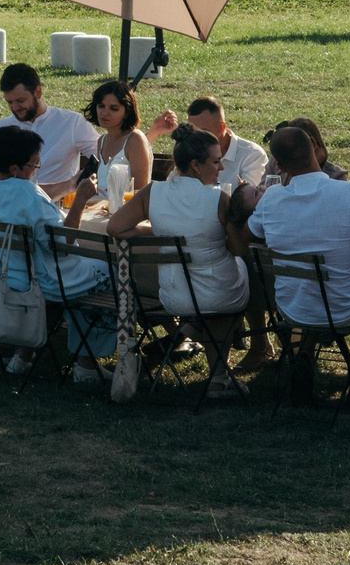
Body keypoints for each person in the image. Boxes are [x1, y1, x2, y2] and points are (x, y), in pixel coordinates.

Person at [239, 124, 350, 406]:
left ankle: (302, 360)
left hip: (291, 309)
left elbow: (245, 238)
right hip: (344, 310)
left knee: (310, 292)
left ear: (279, 165)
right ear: (314, 146)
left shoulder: (271, 198)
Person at [113, 123, 251, 399]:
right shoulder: (218, 198)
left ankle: (197, 336)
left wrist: (160, 233)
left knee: (214, 297)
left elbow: (115, 227)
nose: (221, 167)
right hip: (218, 294)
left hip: (174, 297)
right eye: (216, 162)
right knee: (241, 274)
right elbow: (238, 248)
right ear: (196, 165)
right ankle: (219, 373)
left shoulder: (152, 192)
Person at [0, 124, 115, 380]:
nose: (35, 169)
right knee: (113, 273)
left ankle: (23, 356)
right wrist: (81, 198)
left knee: (87, 274)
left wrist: (69, 186)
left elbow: (28, 196)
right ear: (15, 169)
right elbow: (63, 245)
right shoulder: (30, 196)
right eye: (33, 165)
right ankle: (86, 363)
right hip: (37, 282)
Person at [0, 63, 93, 190]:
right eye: (9, 102)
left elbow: (103, 158)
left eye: (20, 100)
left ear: (38, 92)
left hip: (59, 200)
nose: (15, 107)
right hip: (10, 199)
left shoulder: (72, 122)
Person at [87, 80, 178, 210]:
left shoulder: (135, 140)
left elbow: (139, 191)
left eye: (114, 108)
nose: (104, 112)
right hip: (99, 210)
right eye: (101, 106)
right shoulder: (102, 140)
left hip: (125, 212)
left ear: (127, 112)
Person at [181, 96, 269, 190]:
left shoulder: (252, 155)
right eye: (192, 132)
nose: (197, 138)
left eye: (204, 132)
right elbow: (175, 188)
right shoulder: (190, 153)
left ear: (222, 127)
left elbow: (248, 197)